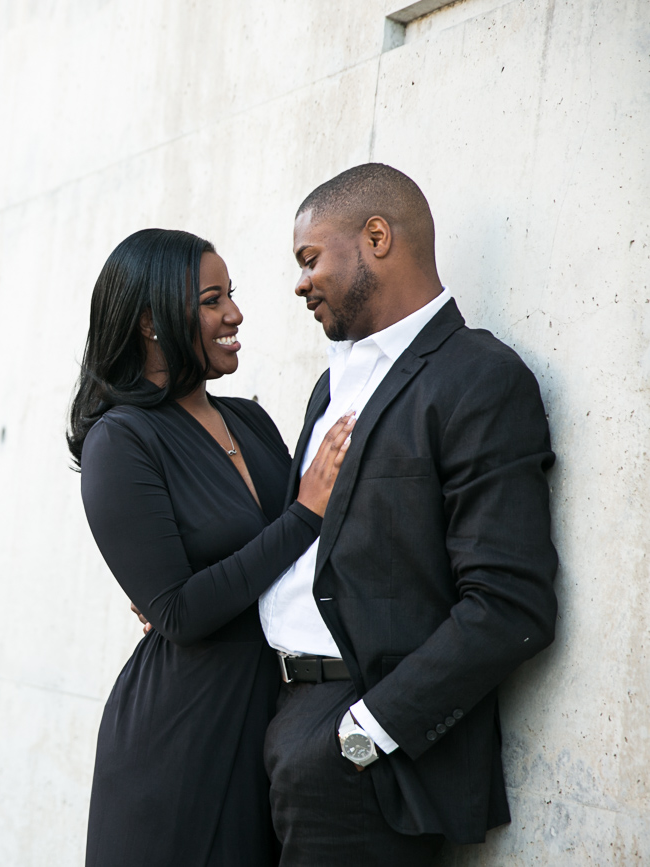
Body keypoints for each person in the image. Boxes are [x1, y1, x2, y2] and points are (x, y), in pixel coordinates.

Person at [258, 164, 559, 865]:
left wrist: (365, 732)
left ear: (376, 236)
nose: (301, 282)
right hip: (282, 726)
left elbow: (511, 603)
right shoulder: (328, 387)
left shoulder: (478, 376)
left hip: (363, 755)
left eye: (310, 258)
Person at [69, 228, 356, 867]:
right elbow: (179, 613)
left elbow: (298, 565)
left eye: (230, 295)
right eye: (210, 300)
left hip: (273, 724)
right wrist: (305, 512)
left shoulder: (249, 421)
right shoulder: (120, 442)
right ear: (150, 322)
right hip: (180, 736)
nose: (234, 314)